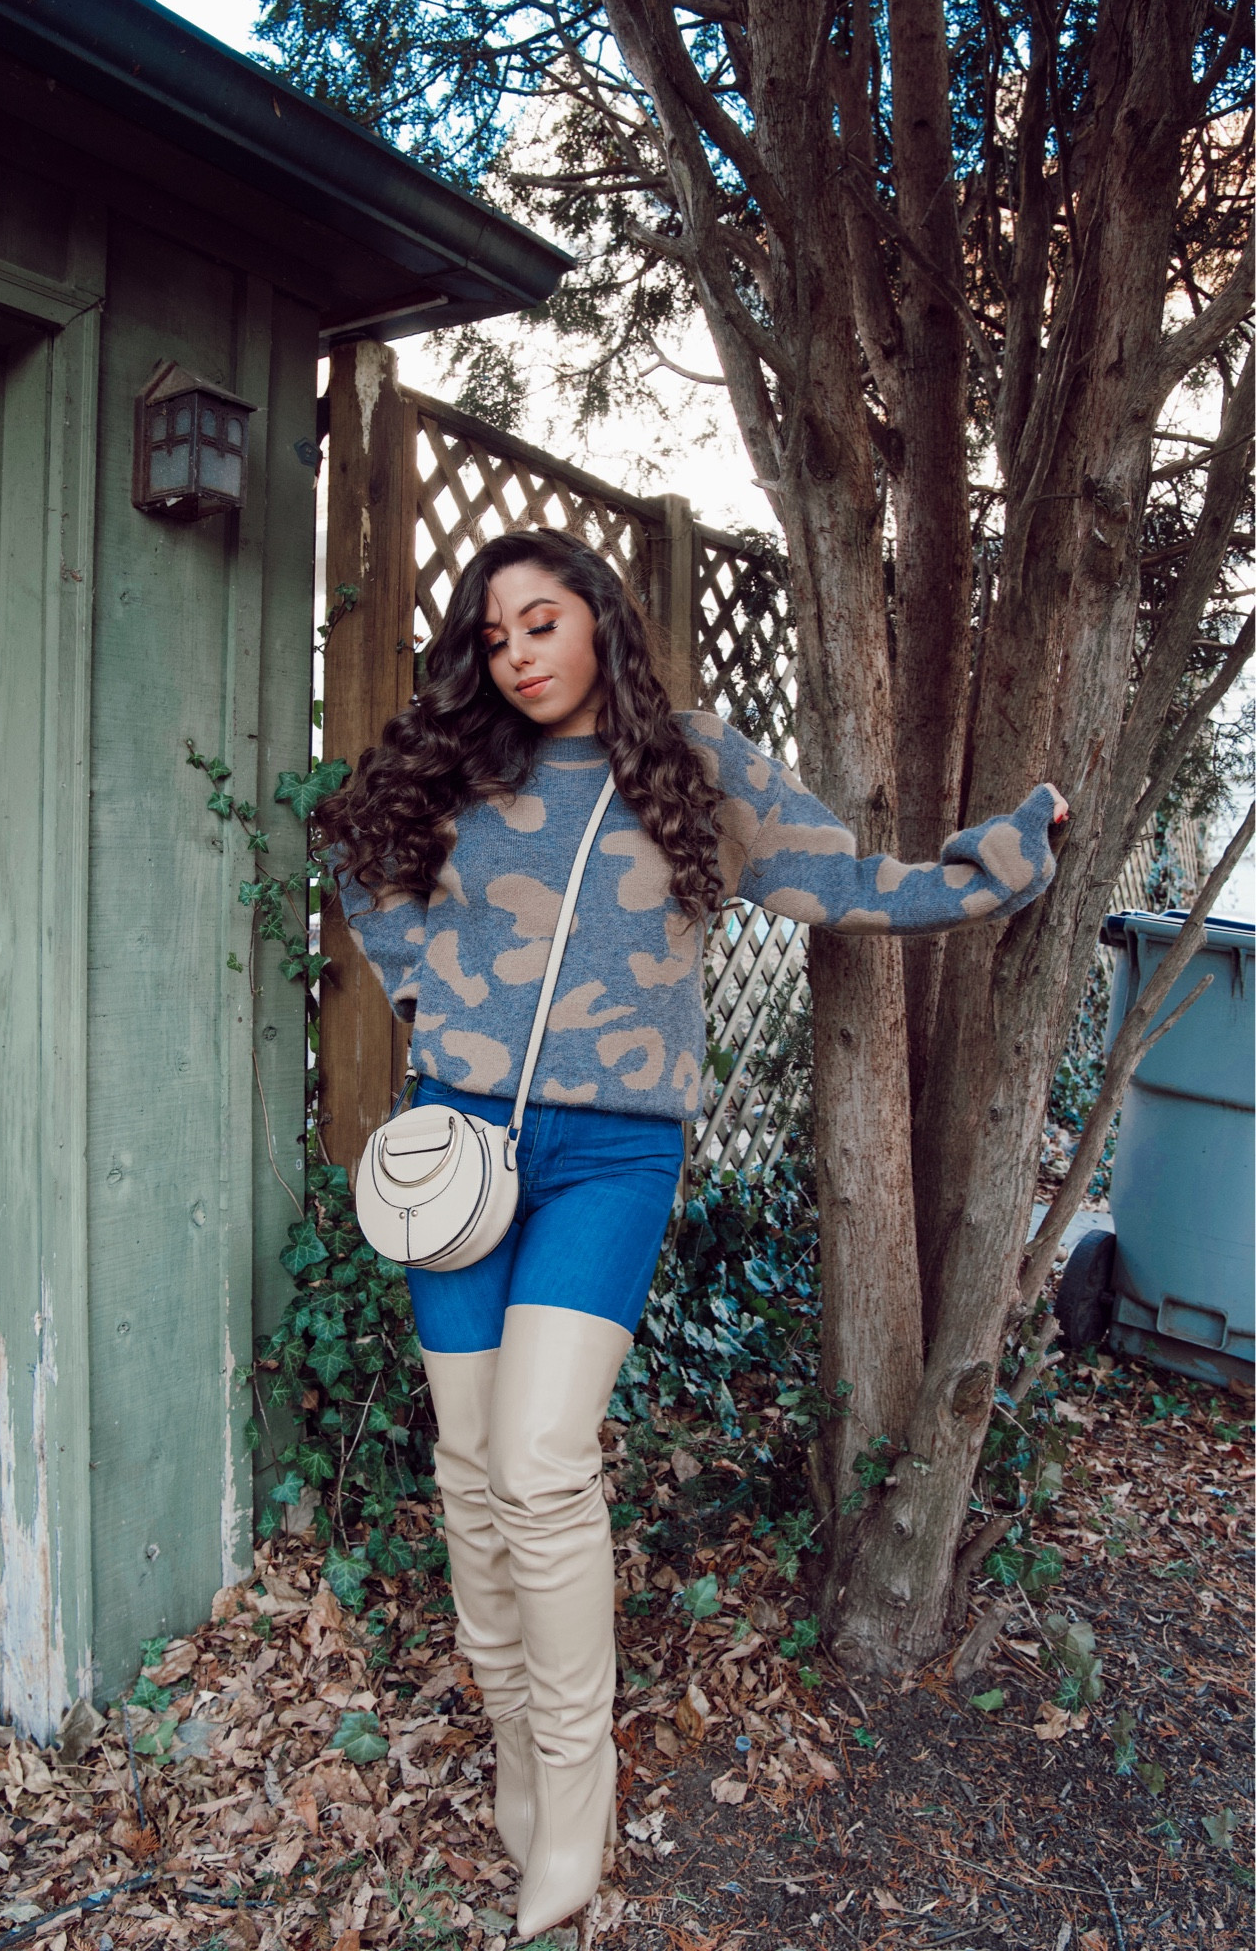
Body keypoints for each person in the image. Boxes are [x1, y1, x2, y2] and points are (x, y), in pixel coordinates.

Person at [318, 528, 1068, 1939]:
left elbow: (844, 883)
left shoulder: (694, 763)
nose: (518, 654)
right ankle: (511, 1738)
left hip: (613, 1156)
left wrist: (998, 865)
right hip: (456, 1155)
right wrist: (426, 995)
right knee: (469, 1463)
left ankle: (572, 1784)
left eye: (542, 622)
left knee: (541, 1462)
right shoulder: (461, 767)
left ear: (600, 619)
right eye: (495, 635)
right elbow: (363, 862)